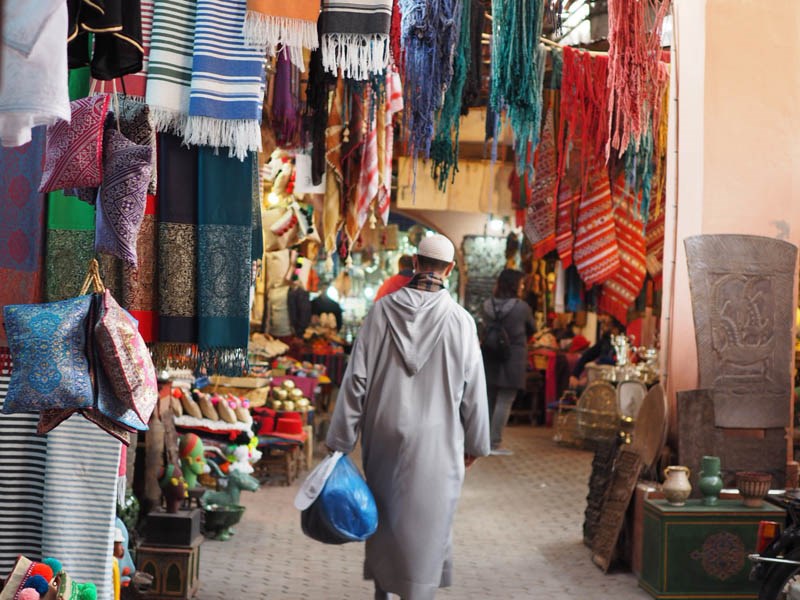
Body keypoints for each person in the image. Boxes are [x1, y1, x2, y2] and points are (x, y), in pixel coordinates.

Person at [326, 234, 490, 600]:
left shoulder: (381, 311)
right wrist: (477, 443)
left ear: (415, 262)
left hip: (383, 436)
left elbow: (356, 379)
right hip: (439, 442)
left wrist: (340, 440)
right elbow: (475, 390)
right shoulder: (462, 322)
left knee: (385, 517)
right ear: (449, 269)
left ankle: (384, 593)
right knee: (428, 528)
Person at [481, 269, 536, 456]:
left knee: (488, 399)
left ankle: (482, 441)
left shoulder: (487, 305)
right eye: (521, 284)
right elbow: (532, 329)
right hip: (513, 357)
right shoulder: (522, 308)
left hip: (489, 355)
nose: (522, 287)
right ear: (514, 285)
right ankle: (494, 443)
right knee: (505, 399)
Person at [568, 314, 624, 389]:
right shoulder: (604, 341)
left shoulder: (623, 343)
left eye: (607, 325)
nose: (603, 328)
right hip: (603, 380)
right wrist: (574, 375)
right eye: (603, 324)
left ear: (615, 329)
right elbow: (587, 356)